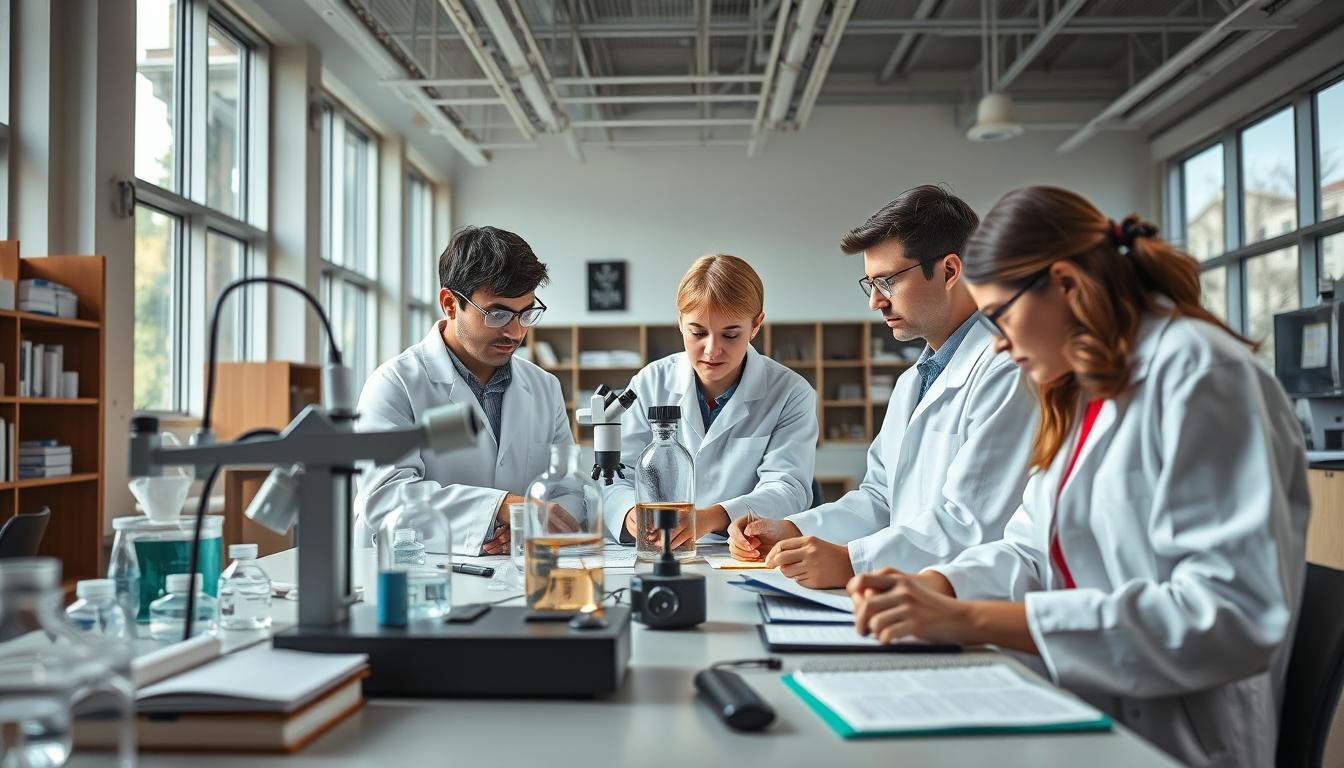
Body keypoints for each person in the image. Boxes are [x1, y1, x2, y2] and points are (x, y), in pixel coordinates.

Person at [847, 186, 1309, 768]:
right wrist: (938, 586)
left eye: (1005, 317)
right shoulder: (1084, 388)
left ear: (1065, 284)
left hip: (1180, 738)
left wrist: (967, 617)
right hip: (1082, 708)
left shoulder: (1201, 373)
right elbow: (1030, 552)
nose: (1004, 346)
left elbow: (1227, 615)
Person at [727, 185, 1036, 588]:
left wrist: (852, 562)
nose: (875, 301)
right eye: (870, 284)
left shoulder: (1007, 370)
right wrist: (792, 529)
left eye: (887, 281)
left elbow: (972, 525)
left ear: (950, 271)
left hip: (972, 609)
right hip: (911, 602)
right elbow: (879, 498)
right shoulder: (914, 381)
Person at [354, 226, 573, 556]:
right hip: (419, 573)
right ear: (450, 304)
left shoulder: (544, 387)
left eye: (526, 313)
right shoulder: (395, 384)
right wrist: (499, 508)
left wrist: (529, 527)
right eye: (497, 314)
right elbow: (385, 498)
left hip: (517, 569)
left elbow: (567, 488)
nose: (515, 332)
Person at [604, 254, 817, 550]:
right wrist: (629, 512)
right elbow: (616, 474)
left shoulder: (790, 392)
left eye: (730, 334)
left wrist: (710, 517)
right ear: (680, 322)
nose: (712, 350)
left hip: (740, 549)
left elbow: (788, 489)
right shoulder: (650, 382)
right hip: (660, 546)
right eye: (698, 332)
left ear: (756, 325)